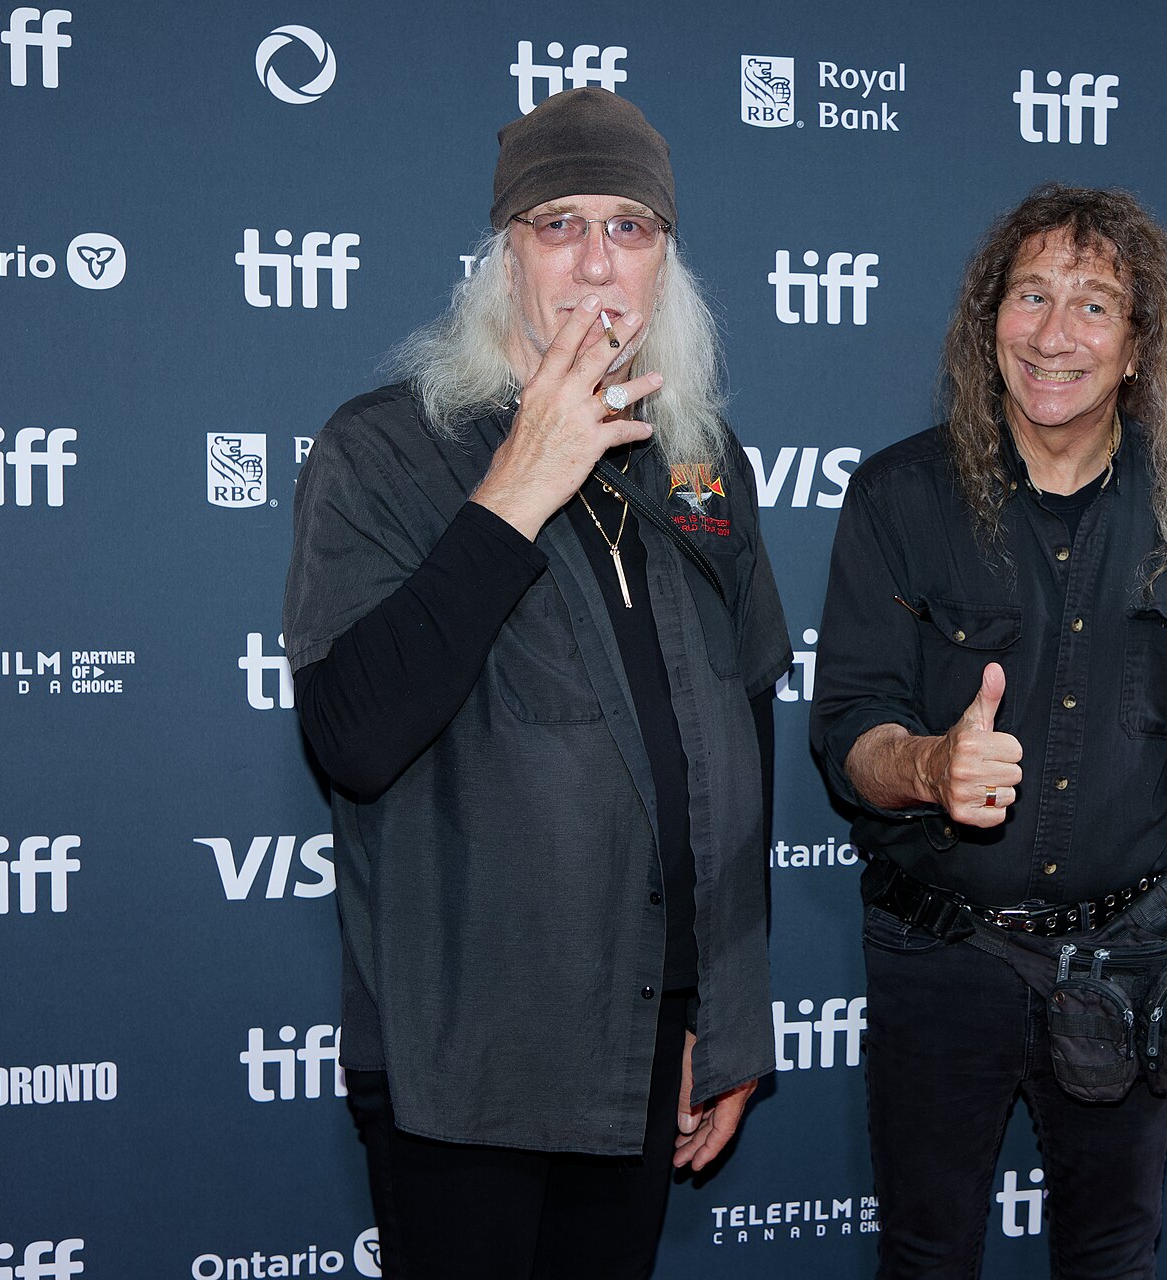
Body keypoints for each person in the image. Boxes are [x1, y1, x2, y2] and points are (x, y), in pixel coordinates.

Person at [282, 88, 790, 1278]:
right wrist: (520, 482)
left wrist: (718, 1014)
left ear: (666, 260)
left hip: (647, 1035)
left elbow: (743, 741)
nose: (596, 262)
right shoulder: (385, 447)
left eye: (630, 227)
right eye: (559, 224)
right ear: (503, 255)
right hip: (469, 1056)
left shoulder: (702, 460)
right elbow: (351, 736)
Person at [810, 183, 1167, 1279]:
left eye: (1095, 305)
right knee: (925, 1258)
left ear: (1138, 347)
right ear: (988, 323)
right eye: (1032, 296)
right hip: (940, 954)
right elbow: (849, 728)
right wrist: (931, 766)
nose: (1055, 334)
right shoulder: (897, 497)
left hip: (1126, 957)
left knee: (1112, 1257)